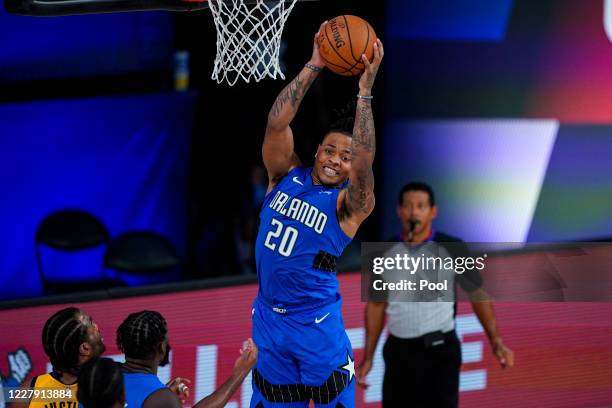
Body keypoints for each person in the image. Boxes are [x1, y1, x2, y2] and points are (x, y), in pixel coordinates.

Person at [250, 20, 384, 407]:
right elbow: (277, 123)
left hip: (316, 325)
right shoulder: (284, 177)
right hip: (268, 321)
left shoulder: (349, 206)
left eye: (344, 157)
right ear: (316, 152)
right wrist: (315, 63)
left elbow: (363, 161)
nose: (335, 161)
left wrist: (364, 92)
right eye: (329, 151)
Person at [357, 182, 515, 408]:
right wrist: (369, 358)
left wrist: (496, 342)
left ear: (433, 211)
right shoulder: (384, 250)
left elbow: (477, 294)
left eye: (421, 206)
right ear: (399, 211)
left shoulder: (452, 247)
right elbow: (376, 305)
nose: (414, 212)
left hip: (440, 351)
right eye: (409, 206)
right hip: (399, 352)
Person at [116, 310, 257, 408]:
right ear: (161, 348)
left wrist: (160, 395)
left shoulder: (107, 372)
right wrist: (239, 373)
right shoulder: (161, 399)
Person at [28, 307, 106, 408]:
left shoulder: (28, 390)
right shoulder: (108, 385)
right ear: (85, 348)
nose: (96, 326)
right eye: (91, 324)